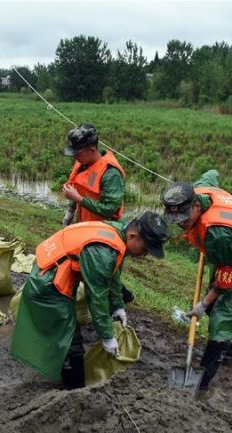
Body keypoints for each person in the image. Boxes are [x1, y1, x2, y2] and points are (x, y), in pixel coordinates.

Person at [11, 212, 169, 389]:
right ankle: (74, 388)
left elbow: (113, 275)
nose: (145, 254)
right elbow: (96, 296)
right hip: (47, 285)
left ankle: (71, 376)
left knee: (70, 331)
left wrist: (118, 306)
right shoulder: (102, 252)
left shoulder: (117, 235)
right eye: (145, 249)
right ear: (133, 236)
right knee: (70, 340)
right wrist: (107, 336)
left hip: (54, 272)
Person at [162, 170, 232, 392]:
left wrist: (203, 304)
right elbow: (210, 176)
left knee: (222, 318)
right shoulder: (199, 191)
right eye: (175, 219)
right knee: (215, 307)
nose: (181, 224)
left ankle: (203, 382)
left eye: (184, 218)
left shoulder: (219, 233)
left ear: (195, 207)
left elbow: (226, 280)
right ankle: (226, 350)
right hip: (230, 253)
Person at [60, 123, 134, 305]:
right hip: (85, 226)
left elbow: (110, 208)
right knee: (84, 267)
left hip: (106, 233)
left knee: (103, 273)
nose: (75, 157)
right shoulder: (82, 164)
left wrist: (79, 200)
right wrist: (71, 210)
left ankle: (116, 305)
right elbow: (76, 186)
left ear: (91, 150)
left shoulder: (110, 174)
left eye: (78, 152)